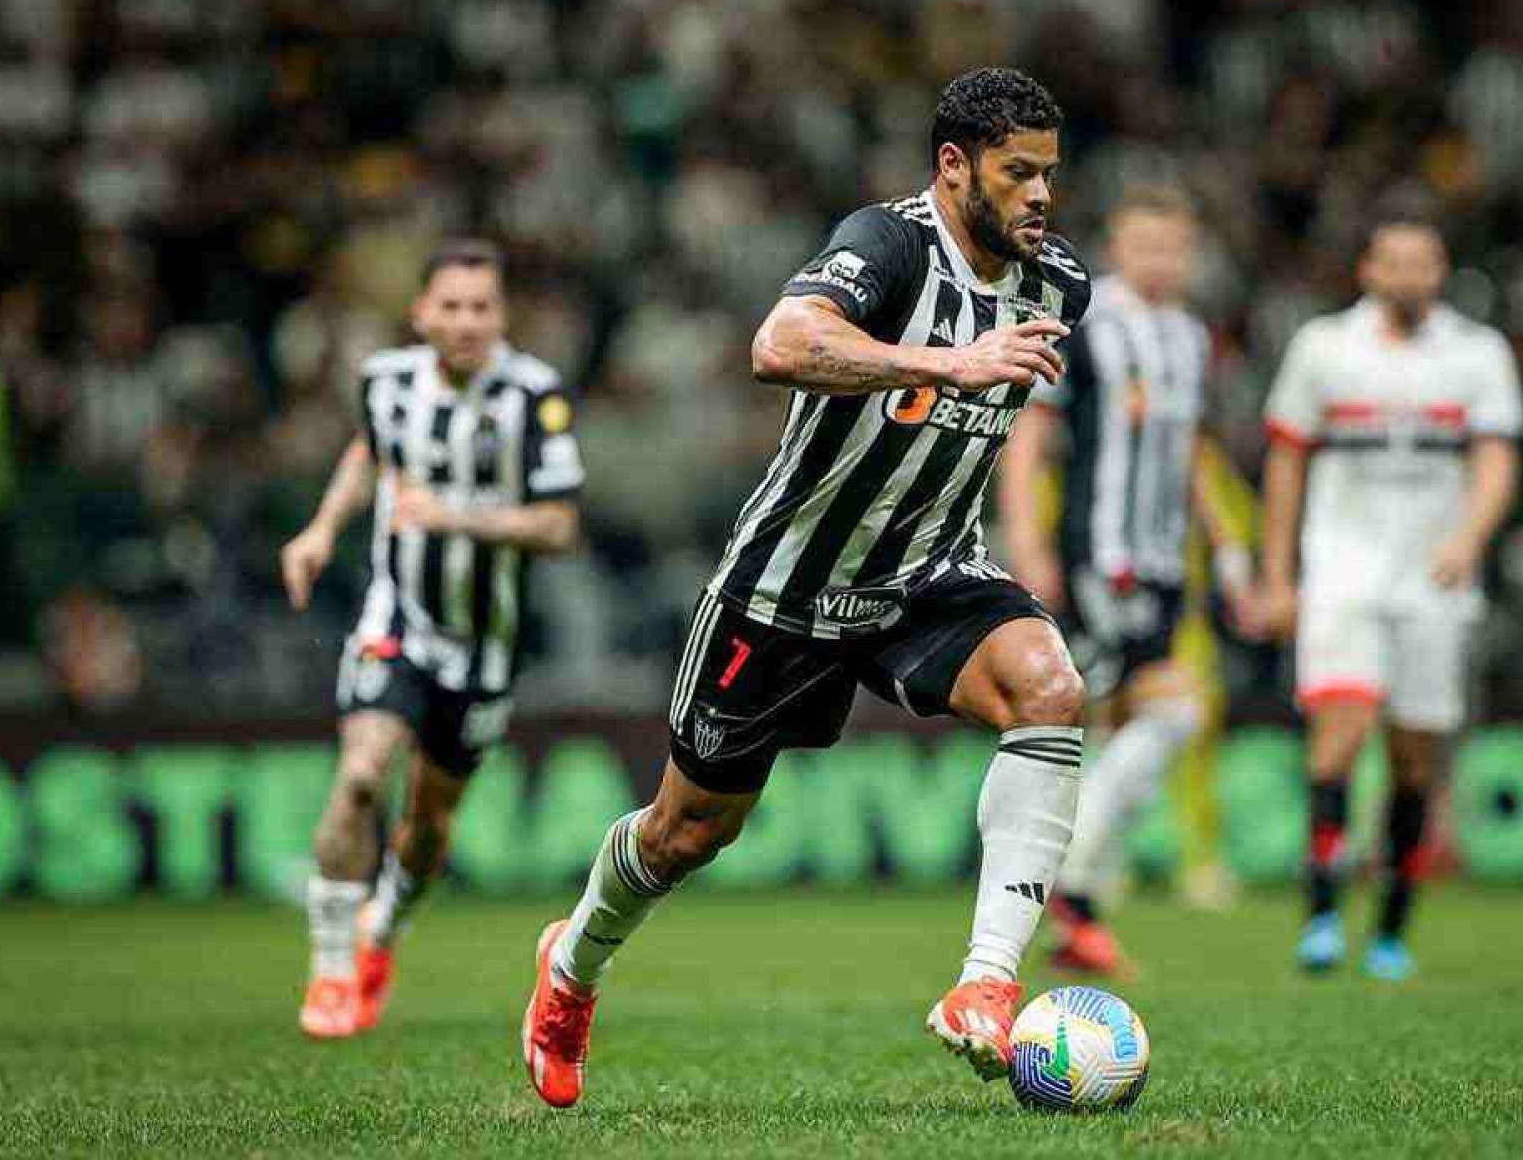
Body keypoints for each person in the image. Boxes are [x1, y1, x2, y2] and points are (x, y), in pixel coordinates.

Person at [520, 68, 1094, 1108]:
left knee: (1050, 688)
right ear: (955, 165)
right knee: (686, 832)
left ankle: (987, 981)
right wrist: (948, 363)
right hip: (789, 583)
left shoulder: (1060, 285)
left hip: (929, 569)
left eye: (1050, 174)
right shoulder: (886, 243)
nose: (1042, 196)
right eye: (1019, 174)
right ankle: (572, 966)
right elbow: (779, 343)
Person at [280, 239, 584, 1037]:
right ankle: (333, 969)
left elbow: (558, 525)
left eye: (481, 306)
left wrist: (458, 516)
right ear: (420, 313)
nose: (466, 321)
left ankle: (383, 935)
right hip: (397, 623)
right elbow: (368, 454)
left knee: (428, 823)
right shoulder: (385, 383)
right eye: (450, 306)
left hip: (484, 647)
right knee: (358, 778)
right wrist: (319, 530)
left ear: (502, 314)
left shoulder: (533, 396)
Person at [1255, 217, 1522, 981]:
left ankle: (1393, 926)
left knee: (1413, 760)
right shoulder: (1323, 347)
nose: (1408, 276)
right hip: (1342, 568)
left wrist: (1468, 539)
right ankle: (1321, 912)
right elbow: (1285, 463)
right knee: (1340, 732)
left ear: (1440, 272)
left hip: (1434, 577)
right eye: (1394, 262)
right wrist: (1280, 575)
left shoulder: (1477, 354)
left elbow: (1497, 463)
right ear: (1368, 269)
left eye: (1423, 263)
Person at [995, 183, 1251, 977]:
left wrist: (1232, 552)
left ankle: (1075, 905)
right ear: (1117, 246)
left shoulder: (1187, 337)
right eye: (1145, 246)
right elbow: (1030, 433)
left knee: (1110, 732)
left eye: (1173, 247)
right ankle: (1068, 889)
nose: (1161, 261)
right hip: (1104, 559)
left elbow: (1191, 456)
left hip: (1168, 562)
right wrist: (1027, 539)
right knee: (1168, 713)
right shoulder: (1086, 318)